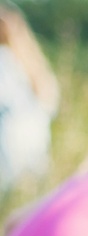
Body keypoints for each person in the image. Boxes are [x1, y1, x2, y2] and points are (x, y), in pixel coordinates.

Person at [0, 2, 59, 191]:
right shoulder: (33, 62)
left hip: (10, 151)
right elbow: (51, 105)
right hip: (36, 151)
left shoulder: (4, 60)